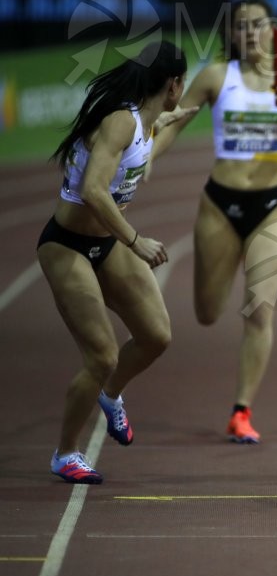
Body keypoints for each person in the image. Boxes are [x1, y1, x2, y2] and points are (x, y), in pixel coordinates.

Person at [151, 0, 277, 444]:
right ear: (232, 36)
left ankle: (241, 411)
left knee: (260, 311)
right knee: (206, 312)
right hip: (220, 206)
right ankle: (236, 400)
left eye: (257, 25)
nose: (249, 34)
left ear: (272, 29)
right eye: (240, 28)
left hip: (274, 205)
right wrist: (142, 160)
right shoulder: (217, 77)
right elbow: (171, 123)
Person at [40, 40, 190, 483]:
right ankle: (65, 453)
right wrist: (135, 239)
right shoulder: (121, 121)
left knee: (156, 335)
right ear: (173, 83)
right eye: (182, 84)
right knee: (103, 354)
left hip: (103, 246)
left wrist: (172, 120)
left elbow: (145, 152)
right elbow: (92, 189)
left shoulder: (143, 122)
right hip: (66, 245)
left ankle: (111, 395)